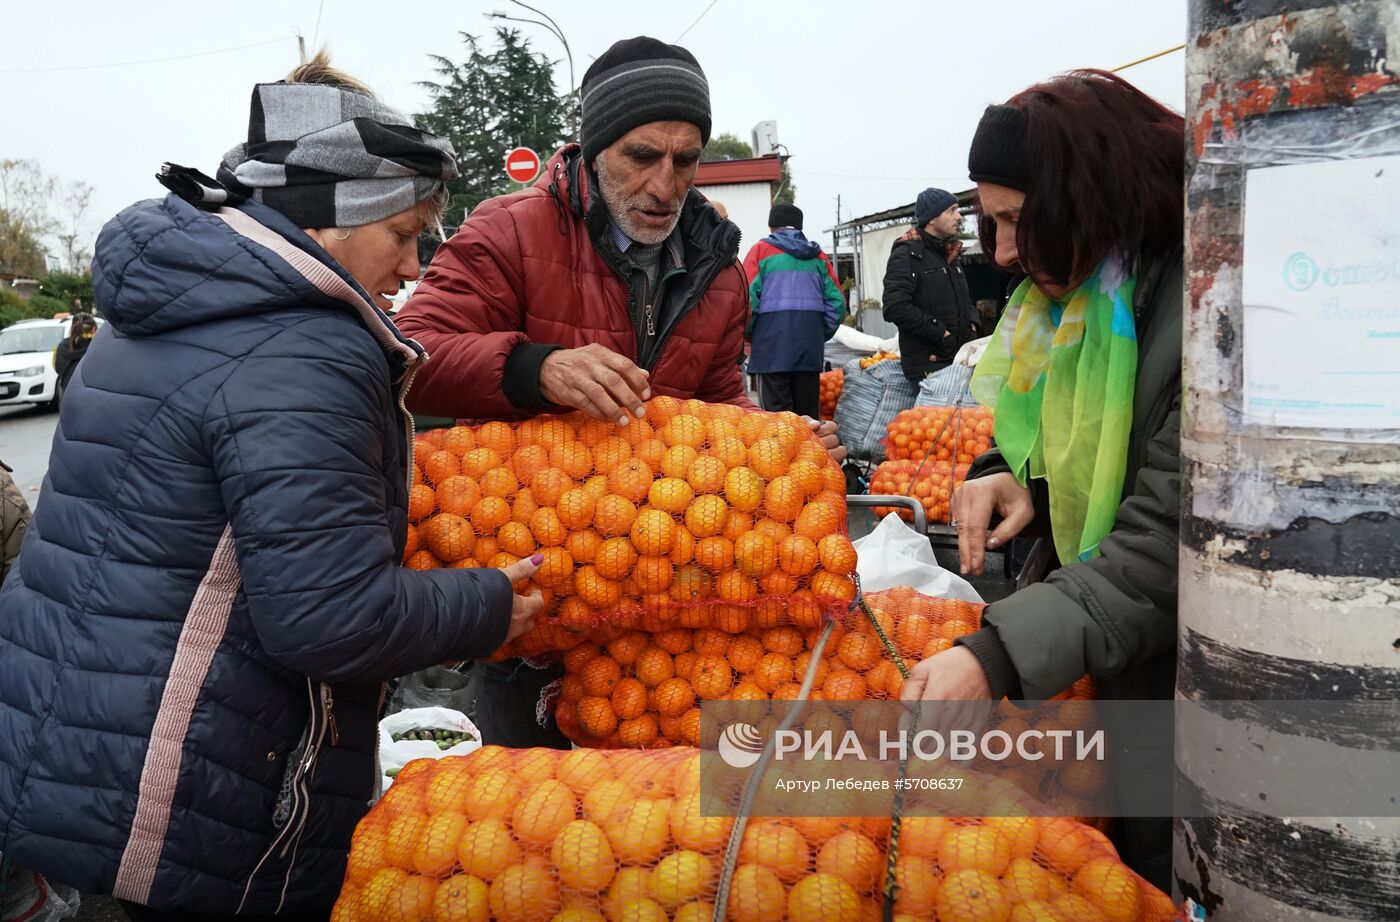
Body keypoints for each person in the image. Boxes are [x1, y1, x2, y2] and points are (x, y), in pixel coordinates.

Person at [0, 55, 543, 921]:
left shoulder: (168, 303)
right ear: (328, 219)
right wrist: (487, 605)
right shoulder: (304, 349)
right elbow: (329, 618)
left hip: (73, 751)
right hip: (180, 796)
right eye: (402, 233)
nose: (413, 267)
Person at [395, 35, 842, 749]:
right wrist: (533, 368)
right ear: (594, 146)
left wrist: (774, 443)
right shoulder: (509, 232)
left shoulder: (718, 272)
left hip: (665, 596)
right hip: (534, 590)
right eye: (642, 157)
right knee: (524, 813)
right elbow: (408, 359)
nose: (665, 186)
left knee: (652, 819)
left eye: (686, 161)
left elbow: (718, 392)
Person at [900, 70, 1185, 888]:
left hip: (1191, 700)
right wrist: (1014, 475)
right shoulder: (1089, 303)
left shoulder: (1199, 306)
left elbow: (1166, 542)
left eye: (1017, 219)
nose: (1003, 253)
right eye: (989, 223)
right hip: (1122, 683)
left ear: (1086, 192)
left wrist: (994, 657)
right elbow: (1077, 441)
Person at [741, 203, 845, 417]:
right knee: (810, 422)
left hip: (771, 350)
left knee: (777, 423)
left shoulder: (760, 252)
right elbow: (837, 304)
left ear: (771, 227)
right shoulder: (818, 256)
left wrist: (752, 335)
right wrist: (816, 333)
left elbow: (746, 301)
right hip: (809, 350)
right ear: (800, 226)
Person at [881, 187, 979, 383]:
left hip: (959, 360)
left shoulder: (949, 254)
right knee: (936, 416)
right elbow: (895, 307)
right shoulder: (907, 254)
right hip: (929, 365)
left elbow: (964, 299)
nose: (959, 216)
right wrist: (941, 333)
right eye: (952, 210)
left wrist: (973, 324)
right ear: (932, 218)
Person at [52, 312, 97, 402]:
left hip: (69, 401)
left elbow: (57, 368)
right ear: (94, 329)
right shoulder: (97, 346)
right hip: (94, 401)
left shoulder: (61, 347)